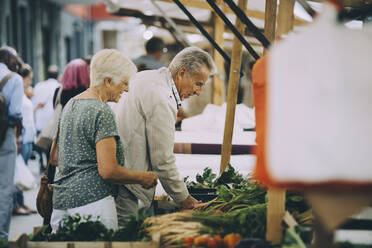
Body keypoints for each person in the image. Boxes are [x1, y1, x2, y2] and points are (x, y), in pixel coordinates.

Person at [50, 49, 158, 232]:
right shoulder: (101, 111)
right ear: (108, 81)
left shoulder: (72, 103)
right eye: (124, 82)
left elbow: (55, 157)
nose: (127, 89)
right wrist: (142, 177)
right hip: (92, 205)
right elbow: (108, 171)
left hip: (61, 202)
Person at [115, 46, 216, 225]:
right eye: (198, 84)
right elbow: (162, 159)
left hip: (122, 177)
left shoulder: (149, 78)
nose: (199, 92)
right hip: (128, 187)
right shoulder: (162, 97)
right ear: (182, 72)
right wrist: (185, 199)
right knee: (126, 239)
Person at [0, 46, 24, 239]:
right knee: (5, 188)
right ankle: (1, 235)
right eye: (14, 59)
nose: (16, 63)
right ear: (6, 58)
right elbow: (16, 112)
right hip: (4, 135)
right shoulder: (14, 79)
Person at [32, 65, 60, 134]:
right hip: (53, 127)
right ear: (58, 76)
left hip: (39, 126)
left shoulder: (38, 86)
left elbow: (33, 103)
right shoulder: (59, 87)